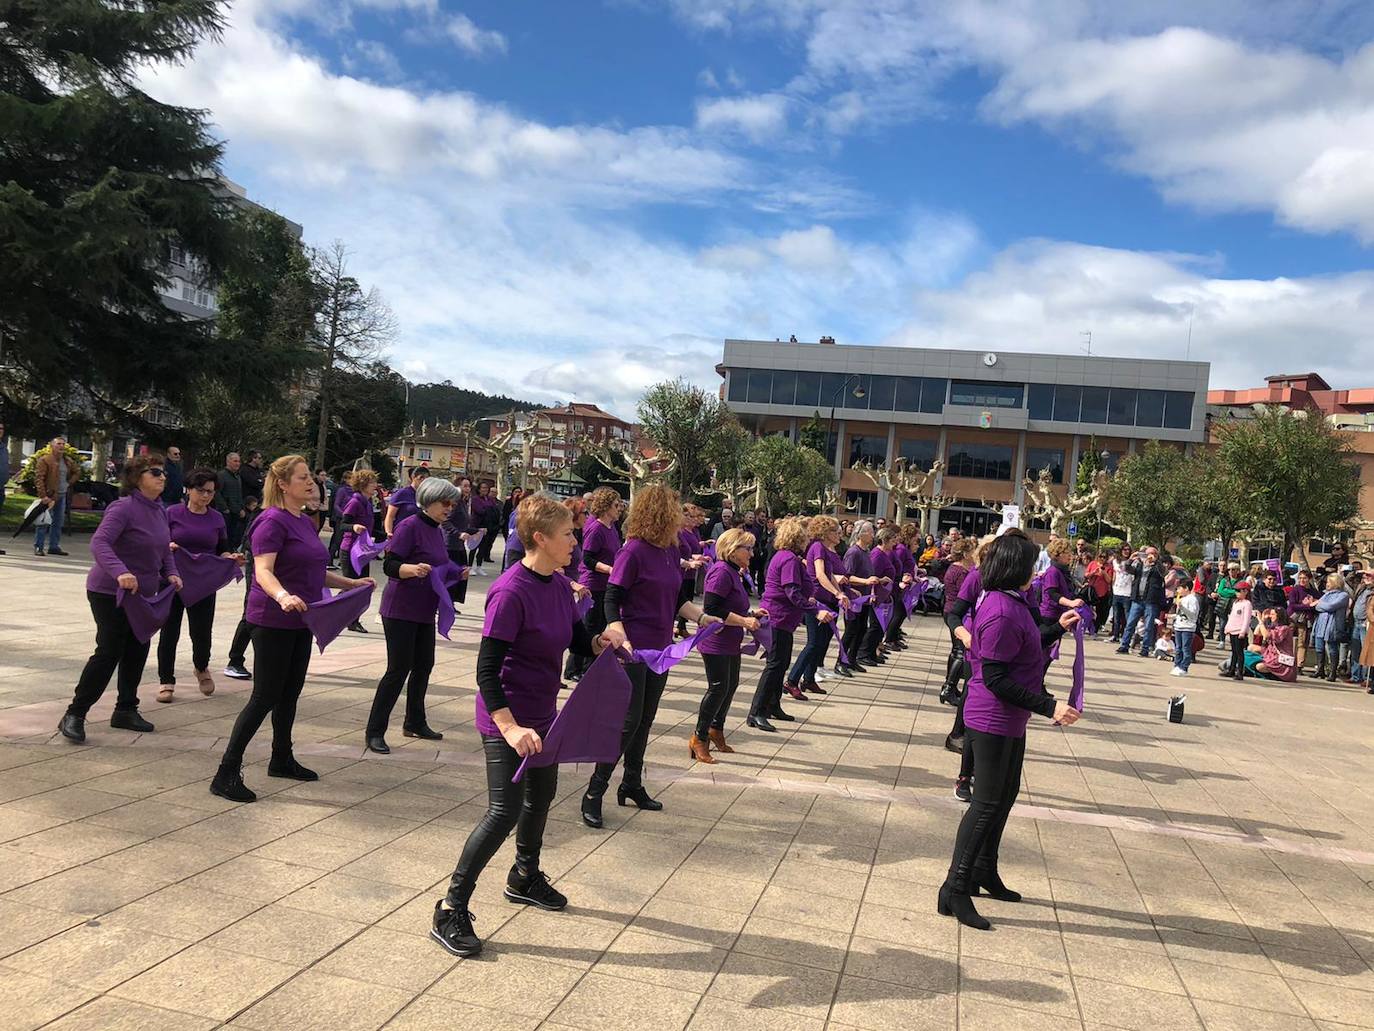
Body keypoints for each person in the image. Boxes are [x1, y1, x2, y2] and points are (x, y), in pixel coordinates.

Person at [431, 494, 607, 958]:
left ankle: (524, 877)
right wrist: (508, 728)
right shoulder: (511, 591)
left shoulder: (557, 583)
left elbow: (574, 638)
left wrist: (600, 640)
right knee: (503, 811)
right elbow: (486, 670)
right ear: (541, 538)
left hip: (545, 713)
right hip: (505, 716)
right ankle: (450, 907)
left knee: (541, 797)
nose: (576, 540)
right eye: (568, 533)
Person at [938, 531, 1082, 931]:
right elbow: (998, 677)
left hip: (1010, 718)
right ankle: (955, 887)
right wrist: (1050, 705)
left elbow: (1028, 643)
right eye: (1033, 564)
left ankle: (984, 870)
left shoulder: (1013, 602)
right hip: (992, 717)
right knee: (985, 804)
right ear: (1016, 568)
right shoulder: (1000, 609)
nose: (1037, 571)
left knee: (1004, 798)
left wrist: (1058, 628)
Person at [210, 455, 373, 803]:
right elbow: (264, 570)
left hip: (302, 618)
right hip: (271, 618)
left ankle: (281, 758)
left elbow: (313, 570)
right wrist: (283, 596)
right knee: (264, 696)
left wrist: (351, 584)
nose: (310, 482)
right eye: (302, 478)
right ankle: (225, 773)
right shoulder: (271, 521)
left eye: (311, 477)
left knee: (290, 693)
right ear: (283, 484)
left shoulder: (303, 520)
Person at [580, 484, 719, 828]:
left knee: (646, 719)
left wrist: (701, 617)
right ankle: (594, 791)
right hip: (633, 649)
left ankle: (631, 783)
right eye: (676, 512)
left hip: (661, 648)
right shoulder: (634, 551)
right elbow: (612, 596)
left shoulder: (671, 551)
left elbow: (674, 600)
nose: (683, 519)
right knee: (628, 721)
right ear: (661, 514)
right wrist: (617, 630)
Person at [58, 453, 182, 743]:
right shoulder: (122, 508)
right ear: (137, 478)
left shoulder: (160, 510)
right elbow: (99, 542)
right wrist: (121, 572)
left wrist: (172, 572)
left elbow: (164, 548)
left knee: (138, 648)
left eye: (163, 472)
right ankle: (75, 713)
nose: (162, 477)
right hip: (108, 590)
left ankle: (125, 709)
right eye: (155, 472)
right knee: (110, 649)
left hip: (143, 594)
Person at [365, 477, 461, 753]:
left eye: (452, 503)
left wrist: (457, 571)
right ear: (429, 500)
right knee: (398, 670)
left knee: (424, 666)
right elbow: (391, 565)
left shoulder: (436, 529)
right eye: (445, 502)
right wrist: (410, 569)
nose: (449, 508)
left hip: (423, 610)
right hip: (401, 609)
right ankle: (375, 731)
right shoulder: (409, 525)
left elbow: (440, 563)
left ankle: (415, 722)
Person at [156, 468, 242, 701]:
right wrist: (169, 546)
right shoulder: (172, 513)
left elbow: (222, 548)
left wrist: (229, 558)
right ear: (189, 490)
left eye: (210, 492)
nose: (205, 496)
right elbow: (158, 542)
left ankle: (201, 666)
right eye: (201, 490)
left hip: (203, 581)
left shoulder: (216, 518)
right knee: (169, 631)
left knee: (202, 631)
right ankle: (166, 679)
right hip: (172, 579)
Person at [749, 516, 834, 731]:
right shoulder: (789, 559)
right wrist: (814, 610)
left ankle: (772, 706)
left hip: (784, 620)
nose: (807, 540)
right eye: (804, 537)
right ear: (797, 538)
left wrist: (809, 599)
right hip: (778, 618)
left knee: (781, 664)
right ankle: (756, 711)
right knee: (775, 665)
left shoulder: (788, 557)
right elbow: (791, 591)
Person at [692, 527, 766, 761]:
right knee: (717, 688)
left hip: (730, 640)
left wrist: (752, 613)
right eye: (748, 549)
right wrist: (744, 620)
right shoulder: (721, 572)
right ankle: (699, 737)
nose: (752, 554)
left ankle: (716, 729)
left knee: (730, 685)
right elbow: (712, 608)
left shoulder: (734, 571)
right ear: (733, 550)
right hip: (715, 640)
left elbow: (732, 604)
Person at [786, 516, 849, 691]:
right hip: (817, 600)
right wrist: (837, 592)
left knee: (822, 642)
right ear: (824, 533)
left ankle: (809, 679)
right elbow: (820, 575)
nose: (839, 534)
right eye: (835, 531)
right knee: (813, 642)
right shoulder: (818, 547)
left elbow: (830, 576)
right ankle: (792, 680)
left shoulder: (827, 550)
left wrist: (839, 594)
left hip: (829, 601)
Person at [568, 487, 623, 682]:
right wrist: (610, 569)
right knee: (589, 627)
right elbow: (588, 559)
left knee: (599, 626)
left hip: (605, 584)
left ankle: (588, 670)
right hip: (592, 584)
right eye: (616, 505)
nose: (619, 509)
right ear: (606, 507)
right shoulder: (596, 528)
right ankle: (574, 669)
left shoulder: (612, 528)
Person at [338, 470, 380, 634]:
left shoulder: (368, 502)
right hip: (350, 550)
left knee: (362, 586)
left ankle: (351, 619)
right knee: (352, 586)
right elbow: (343, 524)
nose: (375, 486)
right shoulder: (355, 501)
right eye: (372, 483)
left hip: (362, 551)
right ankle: (343, 615)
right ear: (363, 484)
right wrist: (353, 527)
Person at [840, 521, 882, 672]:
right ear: (861, 534)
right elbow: (846, 576)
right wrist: (865, 581)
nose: (873, 535)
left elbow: (869, 574)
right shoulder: (853, 552)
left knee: (862, 629)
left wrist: (872, 588)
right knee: (851, 630)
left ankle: (851, 659)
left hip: (864, 598)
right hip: (853, 598)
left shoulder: (866, 552)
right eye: (870, 532)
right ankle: (841, 661)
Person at [33, 434, 79, 556]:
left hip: (62, 495)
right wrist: (43, 496)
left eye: (63, 444)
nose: (61, 446)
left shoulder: (67, 461)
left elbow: (77, 472)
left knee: (58, 522)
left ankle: (54, 546)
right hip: (49, 495)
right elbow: (39, 479)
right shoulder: (45, 460)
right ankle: (39, 546)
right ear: (52, 446)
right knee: (43, 521)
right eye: (58, 444)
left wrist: (69, 483)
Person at [1116, 546, 1165, 657]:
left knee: (1148, 626)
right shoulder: (1139, 565)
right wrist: (1131, 559)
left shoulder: (1158, 567)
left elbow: (1164, 572)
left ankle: (1145, 649)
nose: (1150, 556)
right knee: (1130, 624)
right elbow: (1127, 569)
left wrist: (1156, 561)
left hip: (1151, 601)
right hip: (1137, 599)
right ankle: (1124, 646)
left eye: (1153, 554)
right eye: (1148, 554)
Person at [1312, 573, 1351, 683]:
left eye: (1329, 582)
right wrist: (1321, 605)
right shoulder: (1326, 594)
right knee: (1319, 646)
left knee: (1332, 647)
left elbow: (1330, 606)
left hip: (1332, 625)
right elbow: (1317, 607)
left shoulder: (1343, 595)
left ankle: (1332, 672)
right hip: (1321, 623)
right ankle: (1320, 670)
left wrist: (1320, 604)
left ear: (1335, 583)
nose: (1327, 584)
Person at [1245, 608, 1297, 681]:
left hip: (1281, 660)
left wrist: (1260, 621)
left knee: (1259, 667)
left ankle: (1273, 675)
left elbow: (1266, 635)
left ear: (1279, 616)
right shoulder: (1274, 626)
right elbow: (1257, 633)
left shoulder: (1285, 628)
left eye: (1272, 614)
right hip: (1270, 653)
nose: (1270, 616)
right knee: (1250, 648)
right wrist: (1262, 620)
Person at [1286, 569, 1319, 674]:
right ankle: (1286, 662)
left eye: (1304, 578)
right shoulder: (1295, 590)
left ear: (1309, 579)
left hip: (1305, 620)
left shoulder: (1314, 592)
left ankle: (1299, 665)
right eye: (1300, 578)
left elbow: (1317, 605)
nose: (1302, 580)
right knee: (1287, 640)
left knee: (1302, 642)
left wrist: (1311, 605)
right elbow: (1292, 605)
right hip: (1293, 617)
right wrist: (1307, 605)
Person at [384, 466, 431, 536]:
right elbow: (390, 516)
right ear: (413, 477)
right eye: (421, 477)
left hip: (420, 535)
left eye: (426, 479)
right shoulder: (401, 493)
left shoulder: (426, 496)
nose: (423, 481)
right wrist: (389, 532)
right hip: (402, 533)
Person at [215, 452, 247, 552]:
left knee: (234, 535)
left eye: (239, 461)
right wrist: (224, 508)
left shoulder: (238, 477)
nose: (238, 463)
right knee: (224, 536)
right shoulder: (221, 475)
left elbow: (239, 494)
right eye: (235, 461)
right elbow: (216, 493)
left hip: (236, 511)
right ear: (228, 462)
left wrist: (241, 508)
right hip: (225, 512)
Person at [1221, 581, 1253, 679]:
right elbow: (1232, 617)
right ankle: (1231, 669)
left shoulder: (1247, 604)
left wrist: (1243, 631)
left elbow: (1246, 619)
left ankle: (1239, 672)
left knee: (1239, 652)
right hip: (1233, 630)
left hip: (1240, 631)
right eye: (1236, 590)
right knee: (1234, 652)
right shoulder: (1236, 603)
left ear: (1245, 592)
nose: (1237, 593)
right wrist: (1227, 628)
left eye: (1238, 591)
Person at [1169, 583, 1202, 677]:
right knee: (1178, 648)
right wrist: (1171, 616)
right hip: (1179, 626)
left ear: (1186, 588)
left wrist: (1182, 607)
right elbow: (1179, 614)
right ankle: (1177, 665)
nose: (1178, 591)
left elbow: (1193, 614)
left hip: (1188, 627)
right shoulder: (1182, 599)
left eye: (1179, 588)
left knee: (1186, 648)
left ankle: (1184, 667)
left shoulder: (1192, 599)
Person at [1108, 545, 1135, 641]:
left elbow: (1127, 569)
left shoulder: (1133, 562)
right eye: (1125, 549)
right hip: (1117, 590)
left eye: (1128, 550)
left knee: (1127, 616)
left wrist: (1132, 559)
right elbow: (1116, 571)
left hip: (1127, 592)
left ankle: (1126, 636)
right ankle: (1115, 635)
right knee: (1116, 616)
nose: (1127, 551)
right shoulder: (1116, 561)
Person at [1083, 547, 1113, 633]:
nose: (1102, 559)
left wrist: (1103, 572)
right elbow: (1086, 575)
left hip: (1102, 592)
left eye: (1104, 557)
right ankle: (1086, 626)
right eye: (1100, 557)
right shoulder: (1092, 563)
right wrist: (1093, 572)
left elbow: (1109, 580)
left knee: (1100, 612)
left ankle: (1095, 630)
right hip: (1092, 591)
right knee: (1088, 610)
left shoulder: (1109, 567)